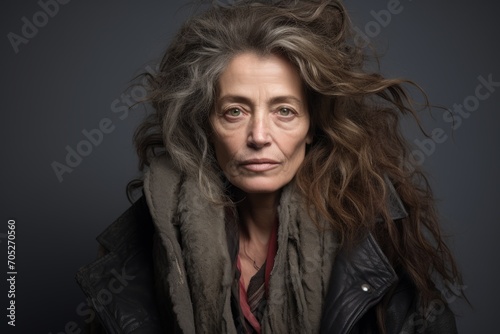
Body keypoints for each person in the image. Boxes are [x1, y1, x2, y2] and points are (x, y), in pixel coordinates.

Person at [76, 0, 464, 333]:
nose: (259, 135)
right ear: (206, 126)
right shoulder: (152, 238)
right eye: (234, 111)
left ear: (312, 126)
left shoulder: (374, 239)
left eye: (284, 111)